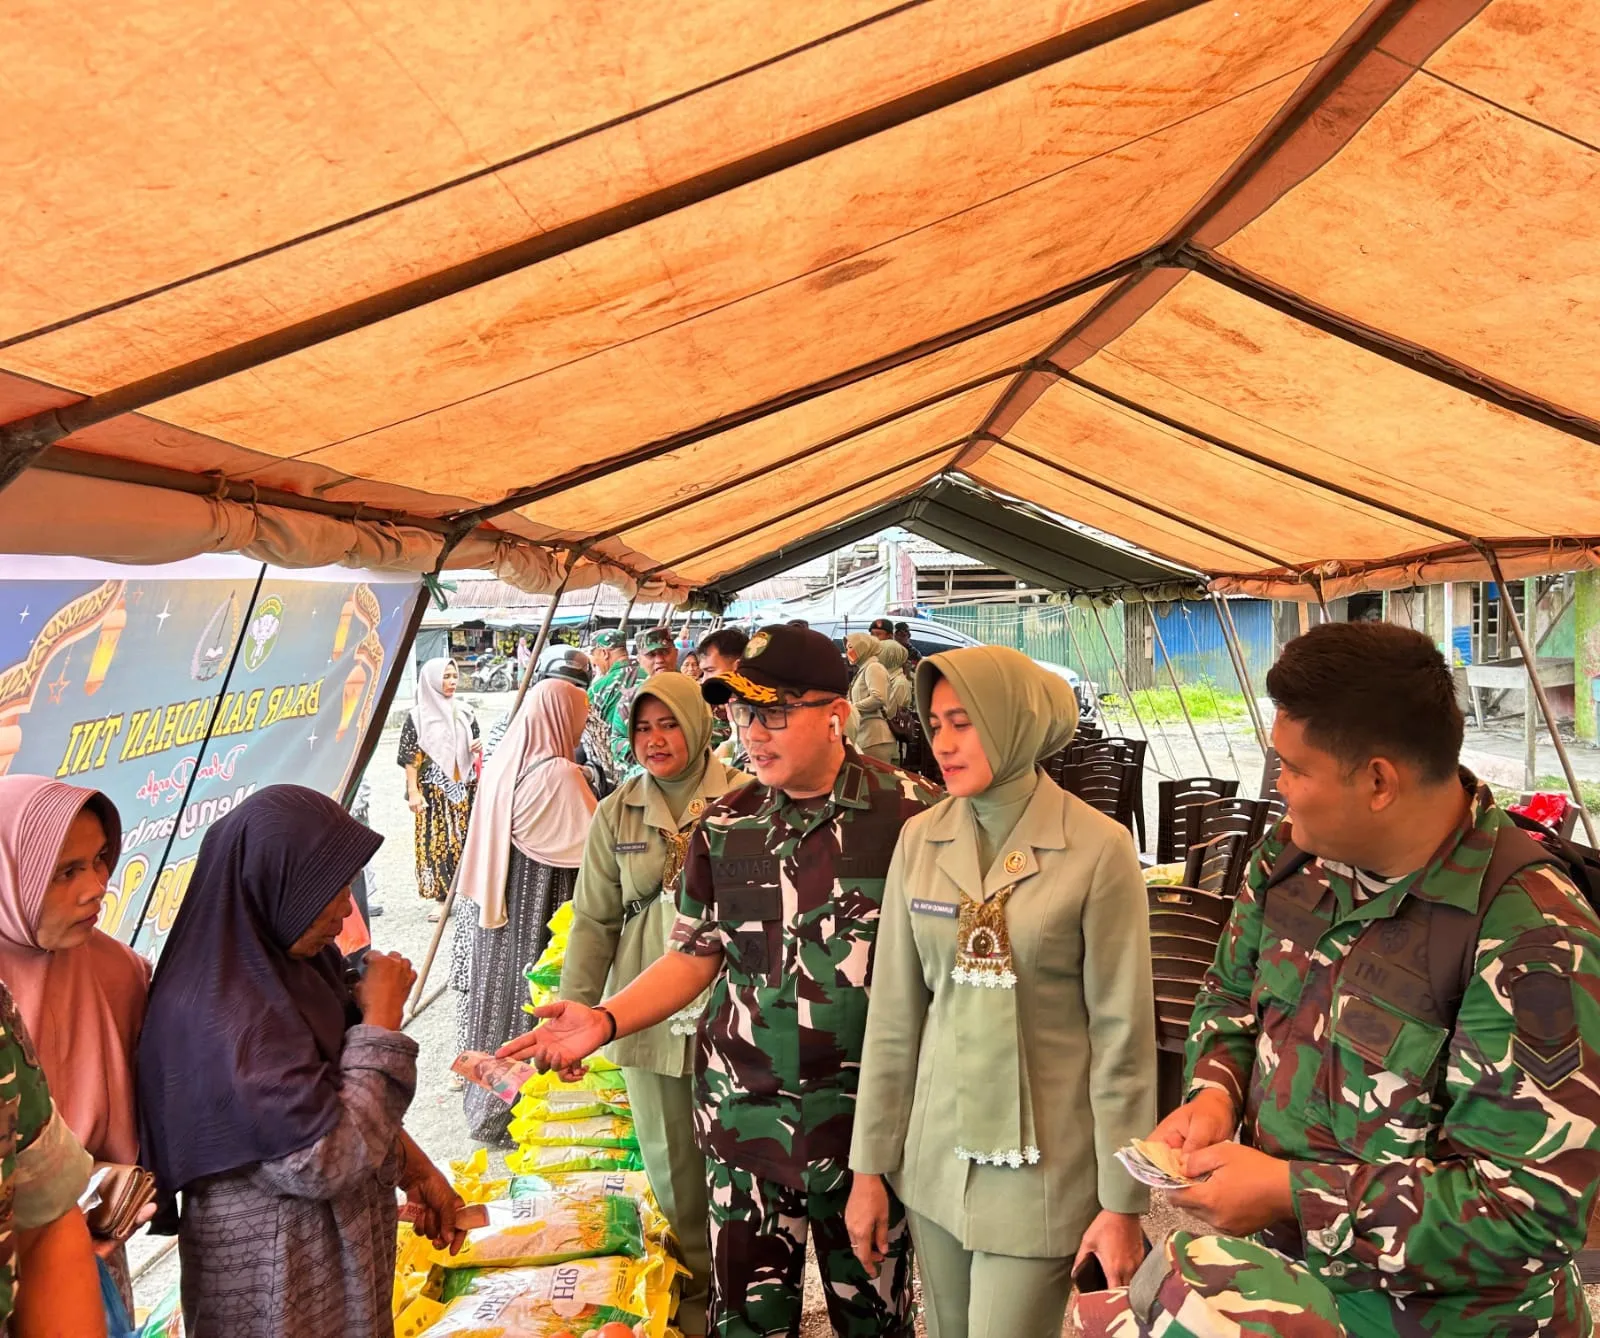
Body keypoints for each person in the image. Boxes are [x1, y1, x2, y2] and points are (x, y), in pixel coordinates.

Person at [1075, 623, 1600, 1338]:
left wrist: (1292, 1194)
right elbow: (1229, 995)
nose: (1279, 787)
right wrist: (1215, 1093)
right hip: (1289, 1292)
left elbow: (1530, 1211)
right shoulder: (1291, 863)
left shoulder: (1532, 938)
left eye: (1295, 769)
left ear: (1378, 780)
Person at [502, 624, 941, 1338]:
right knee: (744, 1326)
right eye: (742, 712)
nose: (752, 733)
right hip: (745, 1125)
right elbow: (695, 954)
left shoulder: (914, 816)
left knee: (875, 1322)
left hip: (866, 1134)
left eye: (775, 712)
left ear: (836, 714)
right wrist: (604, 1019)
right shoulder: (726, 824)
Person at [847, 647, 1155, 1338]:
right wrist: (870, 1168)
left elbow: (1121, 1039)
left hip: (1044, 1170)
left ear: (1015, 722)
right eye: (935, 724)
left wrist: (1122, 1201)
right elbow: (894, 1016)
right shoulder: (920, 840)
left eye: (965, 722)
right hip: (935, 1159)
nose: (944, 743)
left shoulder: (1097, 849)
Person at [137, 785, 467, 1338]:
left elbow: (332, 1096)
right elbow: (323, 1160)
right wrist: (381, 1022)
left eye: (347, 884)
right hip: (278, 1283)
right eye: (328, 889)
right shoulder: (223, 1014)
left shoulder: (295, 966)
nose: (346, 907)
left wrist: (416, 1170)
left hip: (327, 1267)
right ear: (271, 883)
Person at [560, 673, 752, 1335]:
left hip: (734, 1017)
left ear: (699, 724)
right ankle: (697, 1307)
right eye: (643, 727)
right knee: (674, 1174)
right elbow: (593, 922)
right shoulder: (618, 811)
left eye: (669, 723)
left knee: (747, 1171)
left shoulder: (746, 798)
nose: (655, 739)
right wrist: (575, 1013)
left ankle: (751, 1302)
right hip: (647, 1018)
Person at [0, 777, 152, 1314]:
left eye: (100, 859)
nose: (97, 886)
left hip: (99, 1257)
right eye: (66, 871)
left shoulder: (121, 973)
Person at [453, 679, 597, 1141]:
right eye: (578, 718)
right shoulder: (560, 774)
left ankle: (487, 1108)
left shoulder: (504, 763)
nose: (580, 729)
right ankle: (526, 1117)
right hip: (543, 904)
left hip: (503, 904)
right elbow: (596, 845)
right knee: (536, 1003)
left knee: (499, 999)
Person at [399, 658, 480, 919]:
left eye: (454, 676)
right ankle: (442, 897)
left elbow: (476, 742)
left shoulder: (465, 711)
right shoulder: (417, 717)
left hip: (465, 787)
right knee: (437, 842)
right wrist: (413, 793)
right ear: (432, 680)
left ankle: (470, 894)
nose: (452, 681)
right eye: (445, 677)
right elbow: (411, 758)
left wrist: (477, 747)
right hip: (434, 791)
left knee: (466, 839)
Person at [609, 627, 682, 778]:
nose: (659, 660)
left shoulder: (696, 693)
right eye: (651, 655)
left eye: (664, 652)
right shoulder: (630, 700)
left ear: (676, 653)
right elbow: (616, 742)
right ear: (640, 660)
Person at [587, 630, 635, 789]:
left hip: (618, 772)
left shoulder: (598, 688)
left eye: (594, 655)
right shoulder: (649, 674)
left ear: (604, 653)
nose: (594, 662)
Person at [697, 627, 750, 759]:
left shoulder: (762, 704)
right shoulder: (732, 700)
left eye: (710, 670)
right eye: (703, 672)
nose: (704, 680)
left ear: (738, 667)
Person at [846, 632, 896, 764]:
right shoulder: (864, 669)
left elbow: (878, 697)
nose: (848, 652)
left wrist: (851, 708)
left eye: (851, 647)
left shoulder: (873, 667)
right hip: (865, 735)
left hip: (875, 737)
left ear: (862, 648)